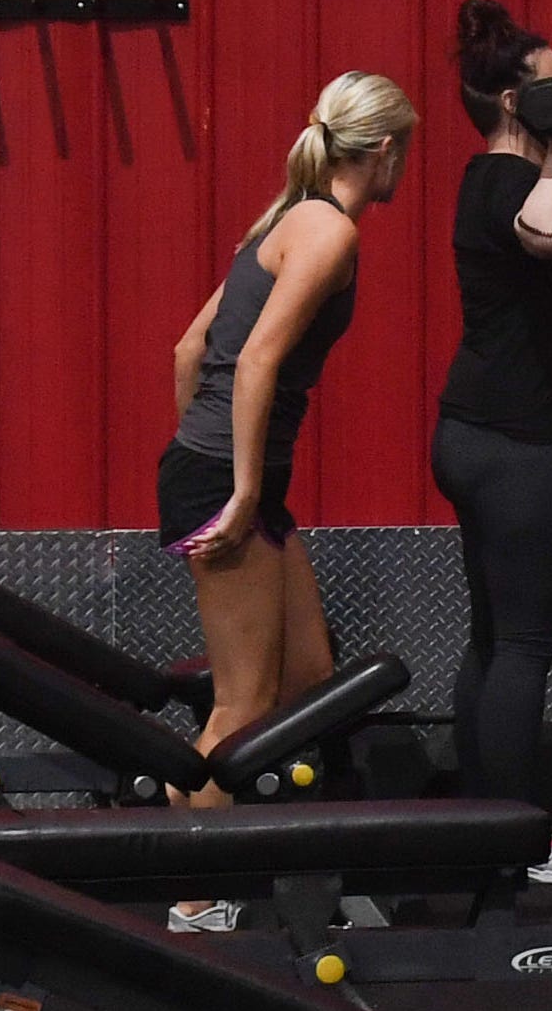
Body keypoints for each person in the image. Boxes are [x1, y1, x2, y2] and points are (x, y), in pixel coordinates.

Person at [159, 72, 418, 873]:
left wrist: (216, 463)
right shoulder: (329, 232)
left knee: (310, 678)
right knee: (241, 706)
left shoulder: (284, 217)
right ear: (382, 151)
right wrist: (231, 488)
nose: (404, 167)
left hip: (235, 474)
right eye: (404, 152)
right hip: (229, 483)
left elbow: (189, 350)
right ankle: (190, 892)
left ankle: (258, 853)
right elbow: (255, 361)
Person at [435, 0, 552, 869]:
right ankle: (514, 843)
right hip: (517, 448)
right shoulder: (518, 184)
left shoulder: (487, 180)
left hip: (476, 435)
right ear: (514, 101)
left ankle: (479, 829)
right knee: (522, 647)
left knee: (493, 638)